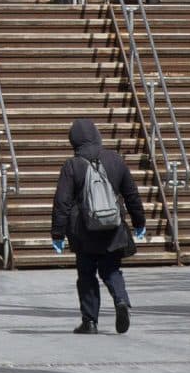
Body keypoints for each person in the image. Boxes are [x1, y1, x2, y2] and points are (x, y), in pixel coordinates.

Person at [49, 117, 148, 334]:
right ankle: (121, 300)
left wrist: (57, 233)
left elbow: (62, 202)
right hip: (113, 229)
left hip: (83, 233)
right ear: (96, 135)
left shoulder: (72, 166)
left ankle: (90, 322)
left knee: (86, 276)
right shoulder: (115, 160)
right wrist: (140, 222)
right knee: (112, 269)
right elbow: (132, 195)